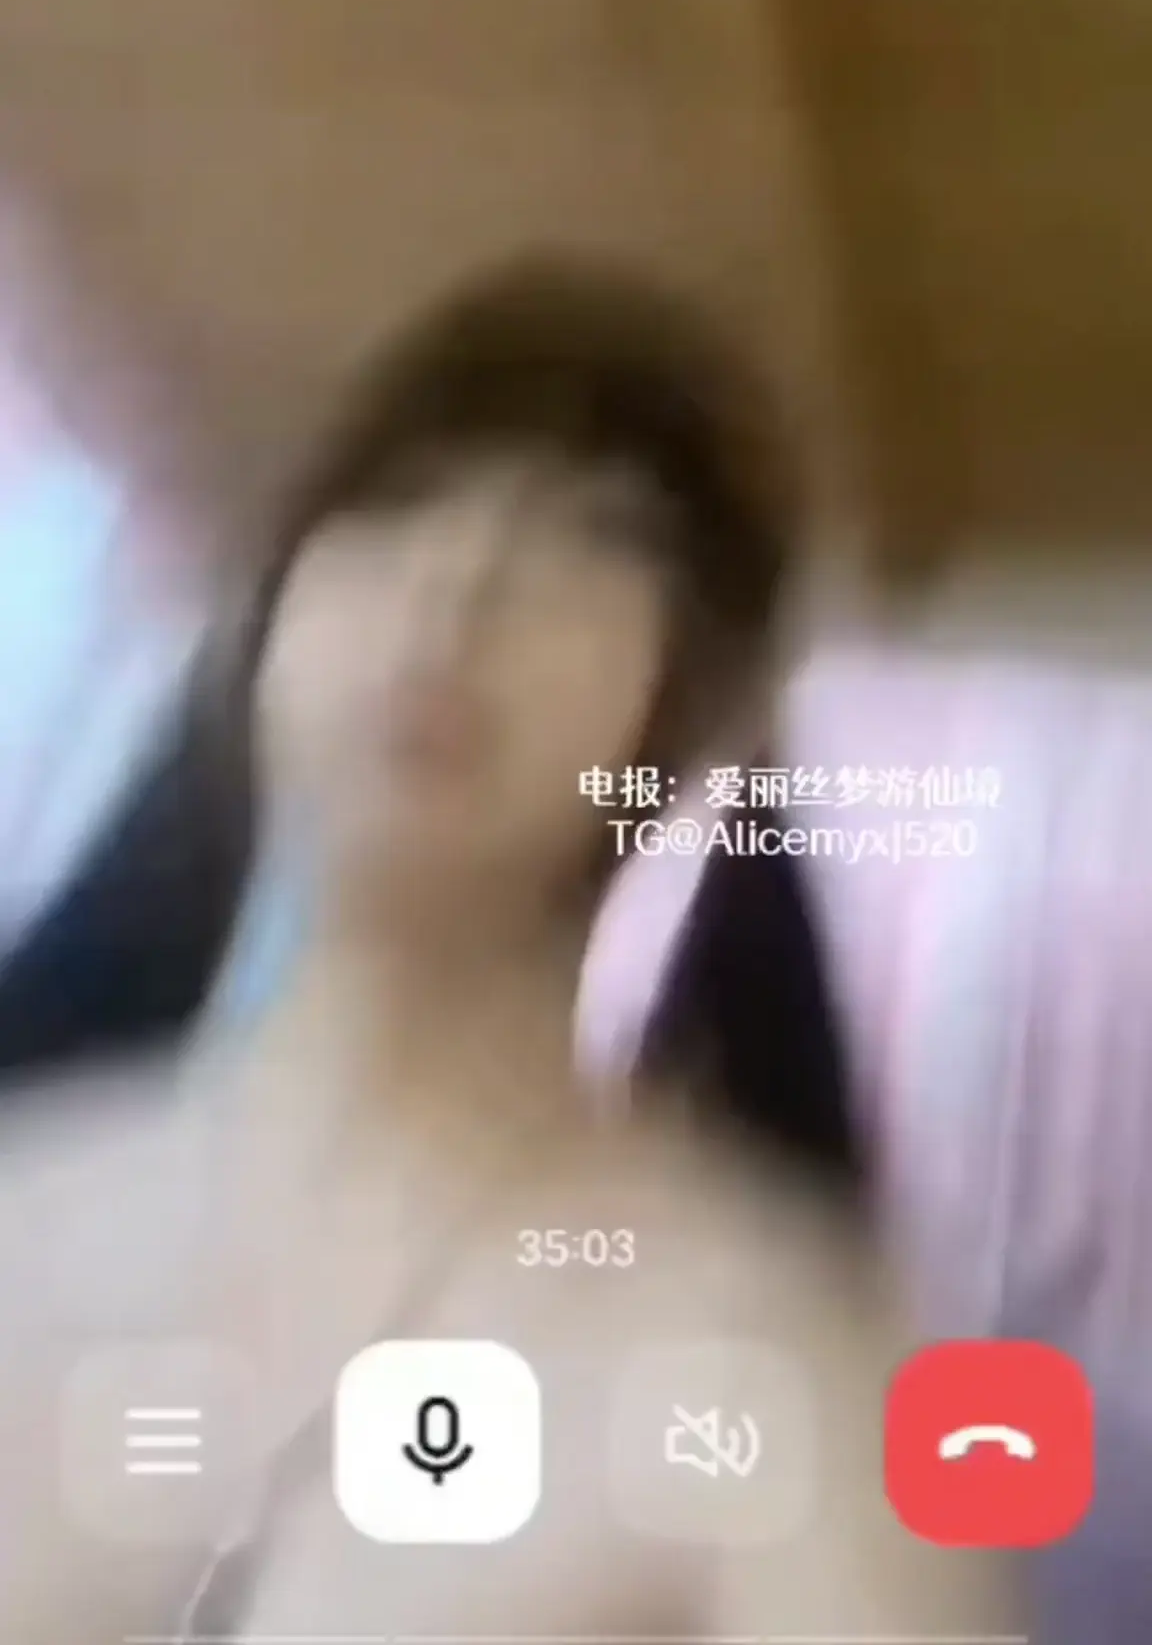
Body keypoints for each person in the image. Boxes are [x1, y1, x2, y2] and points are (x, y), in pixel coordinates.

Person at [0, 255, 1012, 1641]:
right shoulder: (28, 1196)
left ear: (689, 736)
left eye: (594, 544)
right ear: (259, 627)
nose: (460, 582)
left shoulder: (777, 1352)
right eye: (394, 503)